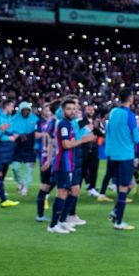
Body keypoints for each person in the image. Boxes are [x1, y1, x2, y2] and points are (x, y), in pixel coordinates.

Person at [48, 99, 94, 233]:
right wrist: (83, 140)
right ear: (62, 111)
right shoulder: (63, 124)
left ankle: (62, 221)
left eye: (74, 109)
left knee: (73, 190)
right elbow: (66, 144)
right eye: (69, 109)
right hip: (63, 163)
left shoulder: (69, 124)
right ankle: (53, 225)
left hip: (70, 163)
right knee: (62, 192)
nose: (72, 111)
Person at [104, 90, 139, 231]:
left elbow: (108, 130)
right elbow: (136, 138)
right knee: (125, 187)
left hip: (113, 155)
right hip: (125, 155)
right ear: (130, 98)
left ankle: (115, 212)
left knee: (127, 185)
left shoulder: (113, 112)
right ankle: (118, 222)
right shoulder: (130, 116)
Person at [9, 101, 40, 196]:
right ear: (20, 110)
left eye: (27, 110)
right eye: (23, 110)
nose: (25, 112)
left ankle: (25, 187)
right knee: (15, 168)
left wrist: (36, 147)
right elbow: (9, 130)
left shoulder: (35, 119)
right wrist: (19, 134)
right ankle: (20, 182)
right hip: (17, 147)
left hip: (30, 148)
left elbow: (38, 134)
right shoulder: (14, 119)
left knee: (29, 170)